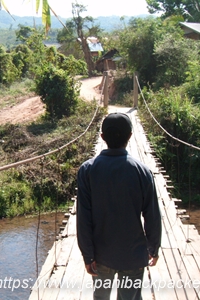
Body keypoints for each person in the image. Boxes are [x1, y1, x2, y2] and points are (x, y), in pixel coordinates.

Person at [77, 112, 162, 300]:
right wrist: (154, 248)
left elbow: (83, 219)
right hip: (133, 256)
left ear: (102, 137)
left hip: (101, 255)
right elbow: (153, 216)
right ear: (130, 136)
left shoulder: (87, 171)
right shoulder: (143, 172)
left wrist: (88, 255)